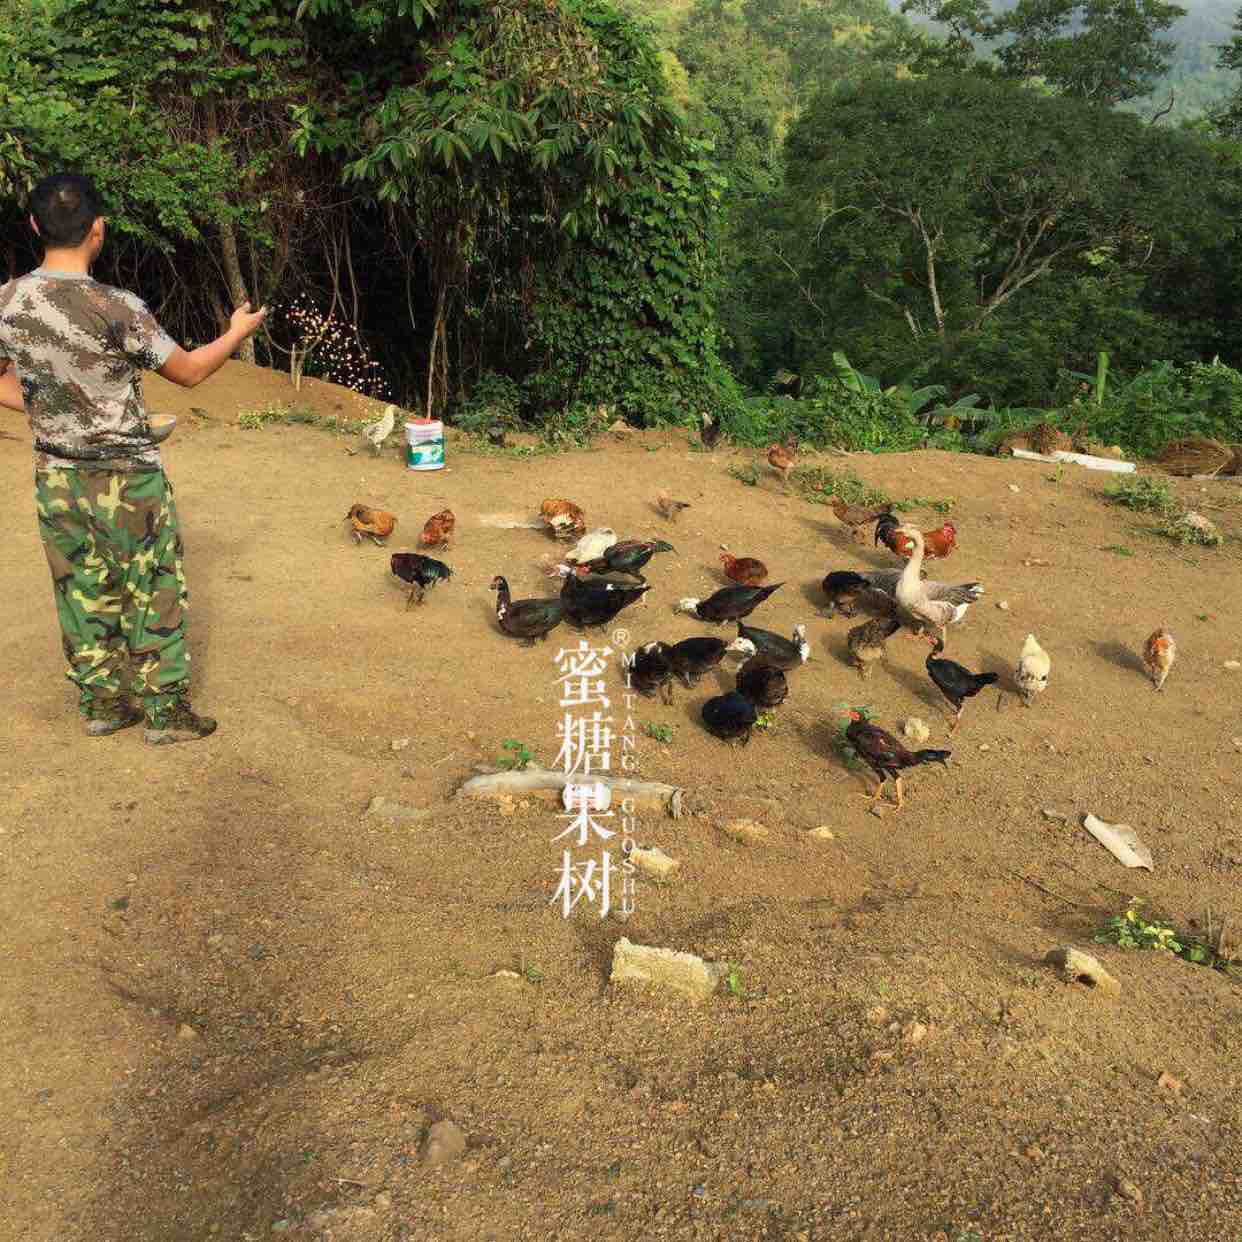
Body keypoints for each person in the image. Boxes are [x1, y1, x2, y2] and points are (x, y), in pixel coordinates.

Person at [0, 172, 267, 743]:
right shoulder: (118, 307)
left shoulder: (8, 301)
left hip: (56, 474)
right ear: (98, 230)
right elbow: (190, 371)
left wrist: (46, 407)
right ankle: (165, 714)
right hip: (128, 474)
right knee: (152, 585)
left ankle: (103, 704)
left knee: (79, 587)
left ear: (33, 227)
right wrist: (236, 331)